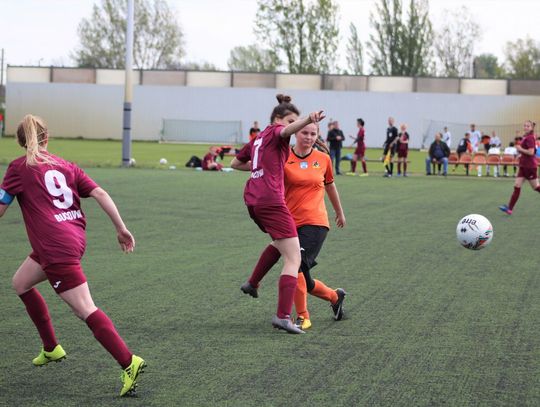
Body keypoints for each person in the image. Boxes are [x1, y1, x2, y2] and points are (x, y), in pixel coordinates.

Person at [0, 115, 144, 397]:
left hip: (55, 248)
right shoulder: (66, 165)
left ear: (20, 142)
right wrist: (121, 228)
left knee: (85, 309)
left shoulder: (18, 168)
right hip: (73, 240)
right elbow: (100, 193)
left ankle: (129, 362)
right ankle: (51, 347)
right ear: (46, 137)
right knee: (21, 282)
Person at [230, 94, 325, 334]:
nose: (296, 127)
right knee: (293, 259)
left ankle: (252, 283)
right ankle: (283, 317)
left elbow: (234, 163)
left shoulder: (258, 138)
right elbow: (285, 131)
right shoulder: (275, 131)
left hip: (254, 199)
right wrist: (308, 119)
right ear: (278, 119)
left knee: (280, 243)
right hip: (271, 200)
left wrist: (259, 168)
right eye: (291, 121)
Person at [499, 120, 540, 215]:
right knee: (517, 186)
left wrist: (520, 149)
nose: (526, 127)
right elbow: (527, 151)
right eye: (525, 125)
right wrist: (520, 154)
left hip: (530, 167)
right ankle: (509, 209)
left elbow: (531, 152)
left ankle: (509, 208)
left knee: (536, 187)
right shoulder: (526, 137)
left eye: (528, 126)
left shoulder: (530, 137)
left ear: (532, 128)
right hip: (523, 166)